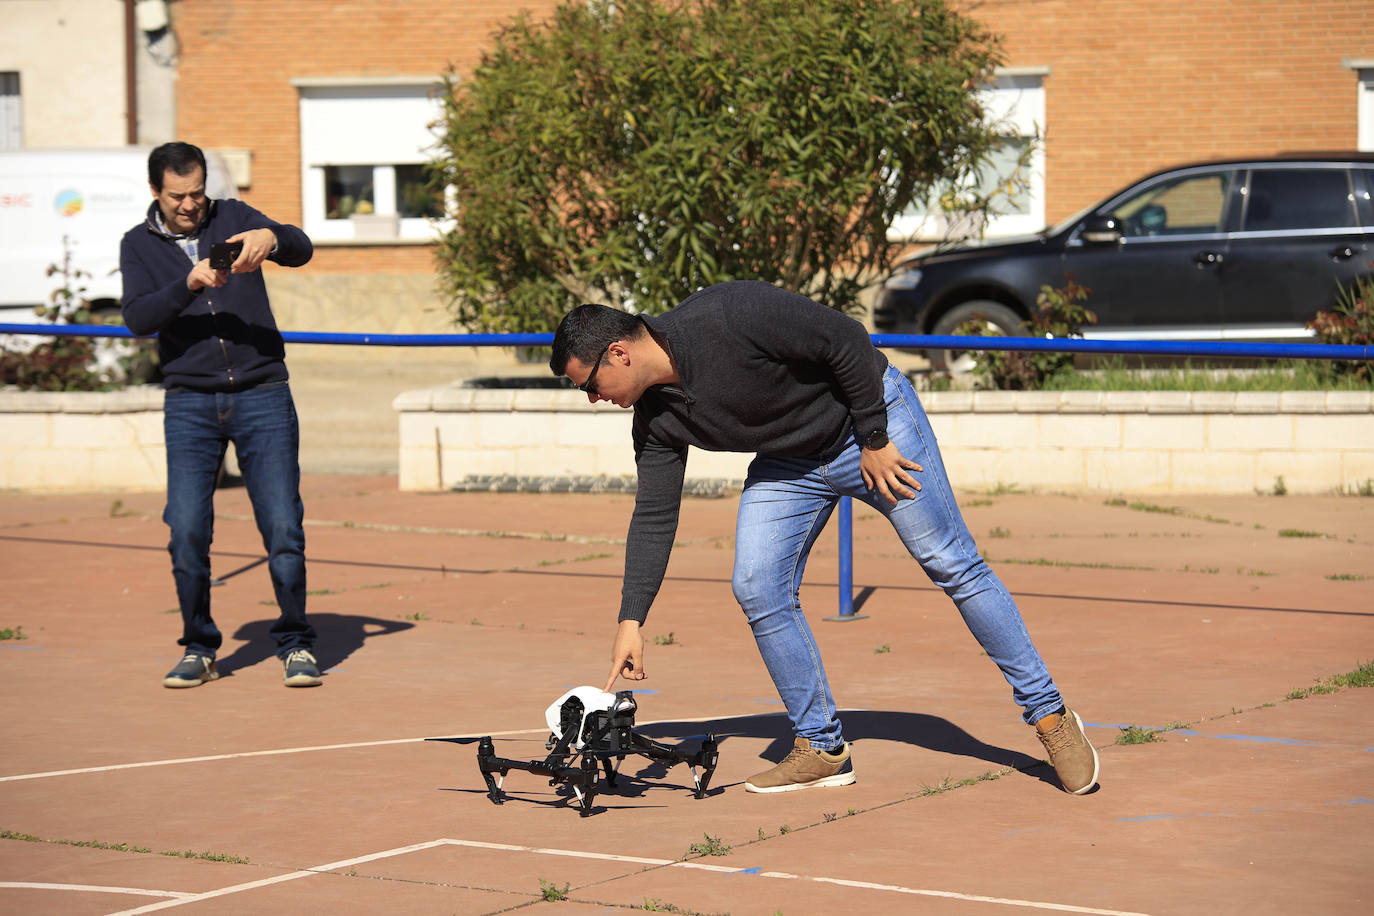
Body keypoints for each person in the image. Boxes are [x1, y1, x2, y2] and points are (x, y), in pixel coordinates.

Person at [549, 280, 1099, 794]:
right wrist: (631, 619)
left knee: (950, 562)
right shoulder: (655, 420)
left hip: (870, 428)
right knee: (758, 585)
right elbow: (654, 514)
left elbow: (845, 339)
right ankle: (822, 746)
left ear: (619, 352)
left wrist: (875, 435)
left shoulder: (727, 313)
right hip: (790, 461)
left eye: (589, 385)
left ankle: (1050, 716)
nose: (593, 399)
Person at [120, 141, 322, 689]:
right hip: (189, 401)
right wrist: (187, 283)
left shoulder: (232, 217)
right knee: (186, 529)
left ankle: (297, 641)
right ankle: (199, 645)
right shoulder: (137, 244)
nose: (190, 205)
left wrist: (273, 237)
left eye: (197, 193)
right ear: (156, 192)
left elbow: (302, 248)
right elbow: (138, 316)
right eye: (178, 196)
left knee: (283, 524)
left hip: (263, 395)